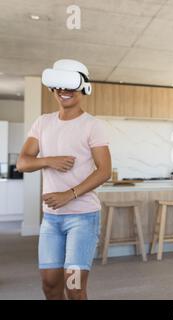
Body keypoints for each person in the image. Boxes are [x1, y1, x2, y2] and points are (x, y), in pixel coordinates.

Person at [17, 59, 111, 300]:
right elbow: (23, 162)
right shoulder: (43, 122)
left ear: (84, 88)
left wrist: (68, 194)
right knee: (49, 285)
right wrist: (48, 160)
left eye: (69, 86)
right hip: (51, 220)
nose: (63, 91)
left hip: (83, 218)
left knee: (74, 286)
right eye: (58, 86)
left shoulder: (92, 125)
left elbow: (104, 171)